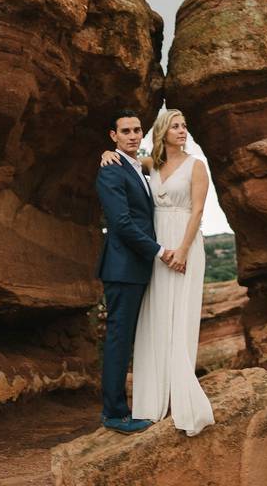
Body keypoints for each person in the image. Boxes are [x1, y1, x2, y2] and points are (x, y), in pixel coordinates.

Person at [100, 108, 215, 437]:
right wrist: (109, 152)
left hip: (180, 246)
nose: (182, 131)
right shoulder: (146, 165)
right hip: (151, 254)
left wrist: (181, 249)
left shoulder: (194, 165)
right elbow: (123, 210)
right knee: (151, 322)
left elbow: (197, 210)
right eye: (175, 125)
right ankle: (137, 404)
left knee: (179, 318)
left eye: (185, 125)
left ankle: (178, 390)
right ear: (163, 131)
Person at [95, 109, 176, 435]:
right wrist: (159, 251)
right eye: (124, 131)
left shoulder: (135, 166)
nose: (132, 135)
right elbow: (121, 223)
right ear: (113, 136)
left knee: (133, 338)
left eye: (136, 130)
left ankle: (143, 400)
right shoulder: (111, 171)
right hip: (123, 268)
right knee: (119, 339)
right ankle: (114, 413)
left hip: (137, 268)